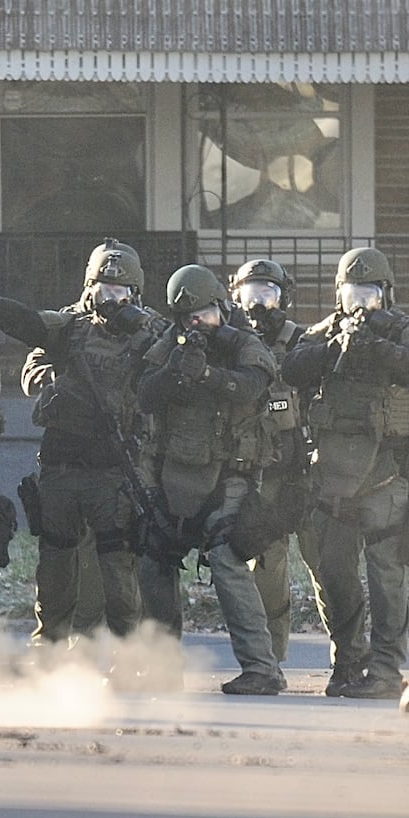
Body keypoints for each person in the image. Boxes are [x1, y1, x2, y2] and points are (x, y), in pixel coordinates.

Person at [0, 239, 165, 650]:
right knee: (55, 564)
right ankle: (49, 647)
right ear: (90, 288)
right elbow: (29, 324)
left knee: (118, 568)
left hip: (116, 468)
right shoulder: (70, 327)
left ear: (136, 294)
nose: (111, 300)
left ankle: (128, 655)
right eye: (104, 290)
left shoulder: (151, 333)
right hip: (64, 465)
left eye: (120, 293)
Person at [281, 246, 409, 699]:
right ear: (338, 294)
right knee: (334, 572)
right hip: (332, 476)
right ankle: (349, 662)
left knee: (386, 574)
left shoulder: (406, 331)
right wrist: (335, 347)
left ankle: (386, 671)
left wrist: (375, 345)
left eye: (369, 293)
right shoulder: (324, 333)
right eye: (353, 292)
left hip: (385, 473)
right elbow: (291, 369)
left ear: (386, 293)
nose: (360, 302)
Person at [136, 263, 286, 696]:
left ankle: (262, 668)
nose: (195, 324)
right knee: (153, 562)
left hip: (228, 476)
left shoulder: (244, 342)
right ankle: (164, 667)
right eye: (187, 318)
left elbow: (253, 385)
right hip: (176, 477)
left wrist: (207, 375)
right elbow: (144, 392)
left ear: (222, 305)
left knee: (226, 561)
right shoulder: (171, 343)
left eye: (203, 315)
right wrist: (175, 370)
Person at [227, 259, 312, 665]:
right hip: (247, 469)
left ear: (283, 299)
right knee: (266, 563)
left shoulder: (299, 344)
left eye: (268, 294)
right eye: (250, 293)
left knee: (314, 566)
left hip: (291, 471)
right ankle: (268, 658)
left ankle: (341, 659)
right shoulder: (231, 344)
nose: (258, 303)